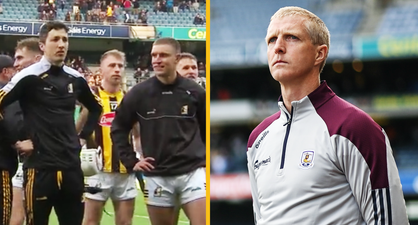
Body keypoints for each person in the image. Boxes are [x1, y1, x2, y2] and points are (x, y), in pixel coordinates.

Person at [246, 6, 409, 225]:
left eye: (291, 38)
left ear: (319, 53)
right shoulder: (257, 138)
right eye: (271, 40)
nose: (278, 48)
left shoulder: (354, 128)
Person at [0, 21, 103, 225]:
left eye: (65, 39)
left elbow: (96, 107)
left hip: (72, 169)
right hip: (40, 169)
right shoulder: (27, 77)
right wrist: (15, 141)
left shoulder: (76, 78)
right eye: (55, 39)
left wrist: (82, 137)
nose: (61, 44)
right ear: (42, 46)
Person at [111, 37, 206, 225]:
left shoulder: (195, 92)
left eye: (163, 55)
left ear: (176, 59)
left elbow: (207, 130)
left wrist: (205, 161)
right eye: (154, 55)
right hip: (157, 176)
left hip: (192, 173)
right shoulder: (139, 93)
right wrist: (131, 161)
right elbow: (118, 127)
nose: (157, 59)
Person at [81, 49, 139, 225]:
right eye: (112, 65)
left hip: (125, 172)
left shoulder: (130, 99)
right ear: (102, 69)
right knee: (91, 222)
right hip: (97, 171)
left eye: (120, 66)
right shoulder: (92, 98)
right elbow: (78, 132)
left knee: (125, 222)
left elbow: (138, 134)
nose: (117, 69)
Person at [9, 37, 43, 225]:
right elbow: (9, 125)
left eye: (20, 58)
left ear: (37, 59)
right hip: (22, 164)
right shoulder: (13, 92)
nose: (16, 64)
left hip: (53, 165)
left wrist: (36, 143)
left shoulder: (58, 90)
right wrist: (16, 142)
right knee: (17, 218)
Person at [0, 55, 18, 225]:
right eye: (13, 70)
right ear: (5, 72)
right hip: (2, 164)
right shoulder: (7, 95)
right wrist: (18, 142)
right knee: (4, 216)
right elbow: (11, 123)